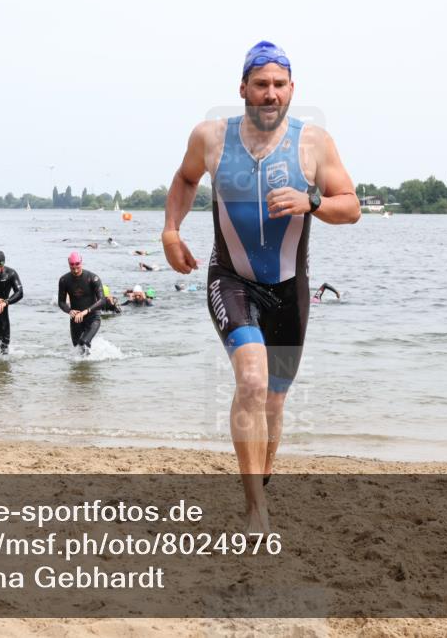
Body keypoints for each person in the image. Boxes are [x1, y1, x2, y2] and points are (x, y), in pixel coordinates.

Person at [162, 41, 360, 531]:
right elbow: (185, 180)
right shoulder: (210, 138)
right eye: (260, 84)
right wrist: (170, 231)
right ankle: (256, 510)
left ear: (291, 90)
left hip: (290, 289)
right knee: (250, 382)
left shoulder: (314, 144)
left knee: (273, 401)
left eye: (278, 85)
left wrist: (310, 200)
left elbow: (351, 206)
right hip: (232, 281)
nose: (269, 94)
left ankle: (262, 480)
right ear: (243, 89)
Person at [57, 252, 106, 354]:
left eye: (77, 267)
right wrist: (69, 311)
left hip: (92, 317)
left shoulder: (92, 278)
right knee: (77, 348)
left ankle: (90, 367)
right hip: (76, 318)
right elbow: (61, 302)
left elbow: (102, 300)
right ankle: (81, 369)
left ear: (81, 263)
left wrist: (85, 311)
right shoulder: (64, 280)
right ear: (69, 265)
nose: (75, 270)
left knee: (84, 342)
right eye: (72, 267)